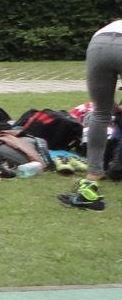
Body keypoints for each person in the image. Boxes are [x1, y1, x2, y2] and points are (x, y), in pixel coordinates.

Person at [60, 19, 122, 211]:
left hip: (98, 44)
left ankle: (94, 173)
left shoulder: (112, 25)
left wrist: (113, 108)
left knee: (100, 114)